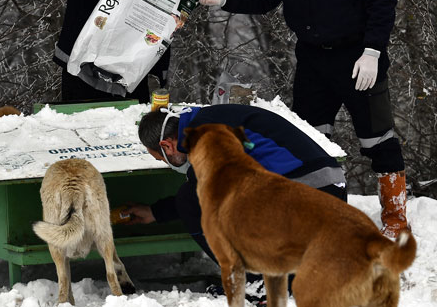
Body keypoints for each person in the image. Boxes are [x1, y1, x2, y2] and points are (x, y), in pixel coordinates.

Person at [196, 0, 409, 238]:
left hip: (358, 54)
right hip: (312, 58)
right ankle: (321, 219)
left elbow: (382, 0)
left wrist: (373, 51)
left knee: (377, 139)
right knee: (310, 142)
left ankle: (396, 220)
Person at [125, 104, 347, 305]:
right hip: (326, 189)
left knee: (191, 200)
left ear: (167, 145)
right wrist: (155, 212)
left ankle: (256, 283)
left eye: (162, 158)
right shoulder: (204, 120)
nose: (166, 163)